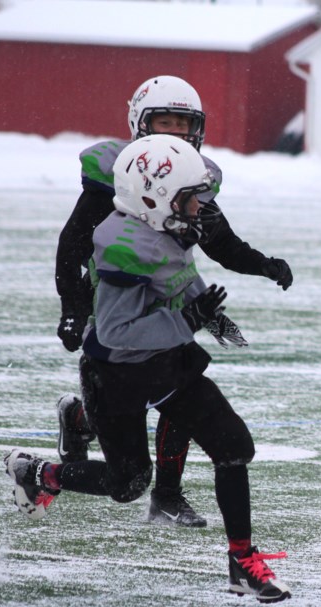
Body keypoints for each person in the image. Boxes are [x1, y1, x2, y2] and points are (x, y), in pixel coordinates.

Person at [7, 134, 291, 602]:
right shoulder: (124, 243)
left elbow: (177, 276)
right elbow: (118, 333)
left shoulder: (165, 227)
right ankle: (40, 475)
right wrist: (186, 320)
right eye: (191, 199)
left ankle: (242, 561)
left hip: (166, 363)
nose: (200, 208)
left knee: (233, 443)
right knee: (129, 482)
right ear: (154, 198)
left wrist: (206, 312)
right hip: (116, 372)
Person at [54, 75, 293, 527]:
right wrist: (73, 308)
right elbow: (72, 246)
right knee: (131, 396)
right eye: (164, 122)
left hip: (168, 298)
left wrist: (262, 264)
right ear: (140, 124)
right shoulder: (117, 176)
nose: (176, 135)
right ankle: (85, 418)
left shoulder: (190, 179)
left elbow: (218, 240)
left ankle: (166, 493)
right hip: (119, 299)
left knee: (177, 383)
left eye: (184, 124)